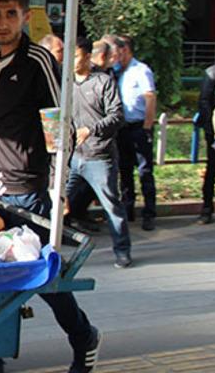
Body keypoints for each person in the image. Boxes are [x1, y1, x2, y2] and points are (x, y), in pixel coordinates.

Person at [0, 0, 100, 373]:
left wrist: (58, 186)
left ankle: (83, 336)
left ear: (25, 17)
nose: (2, 22)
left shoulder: (37, 60)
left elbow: (57, 128)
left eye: (10, 14)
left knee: (45, 279)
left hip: (27, 194)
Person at [66, 38, 131, 268]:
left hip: (100, 157)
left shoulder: (103, 82)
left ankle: (122, 250)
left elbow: (117, 116)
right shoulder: (66, 82)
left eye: (74, 55)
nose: (71, 61)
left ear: (86, 56)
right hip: (73, 156)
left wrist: (91, 129)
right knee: (60, 202)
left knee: (112, 206)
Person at [114, 35, 158, 231]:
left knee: (144, 171)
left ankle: (149, 213)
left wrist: (147, 126)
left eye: (119, 51)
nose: (116, 55)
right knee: (125, 171)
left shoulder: (141, 70)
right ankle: (128, 209)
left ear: (126, 50)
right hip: (122, 128)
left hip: (139, 126)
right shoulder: (117, 71)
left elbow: (150, 98)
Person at [196, 60, 215, 225]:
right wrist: (210, 129)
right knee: (213, 169)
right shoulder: (212, 73)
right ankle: (207, 208)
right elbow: (204, 101)